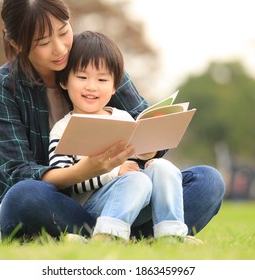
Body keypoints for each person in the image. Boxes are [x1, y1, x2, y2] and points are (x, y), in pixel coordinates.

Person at [0, 0, 225, 243]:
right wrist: (84, 171)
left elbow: (144, 123)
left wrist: (150, 146)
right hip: (56, 204)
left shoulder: (96, 61)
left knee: (208, 182)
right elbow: (19, 173)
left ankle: (116, 234)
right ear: (17, 43)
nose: (60, 49)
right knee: (25, 195)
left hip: (119, 196)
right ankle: (131, 238)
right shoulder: (2, 87)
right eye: (43, 42)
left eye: (64, 32)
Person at [48, 31, 190, 242]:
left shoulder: (123, 118)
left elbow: (133, 166)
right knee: (135, 180)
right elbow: (64, 182)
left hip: (133, 200)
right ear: (64, 81)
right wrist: (114, 173)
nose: (91, 86)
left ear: (115, 86)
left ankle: (171, 236)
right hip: (91, 207)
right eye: (82, 77)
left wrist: (145, 153)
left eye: (102, 79)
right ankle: (108, 235)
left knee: (162, 167)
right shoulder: (62, 128)